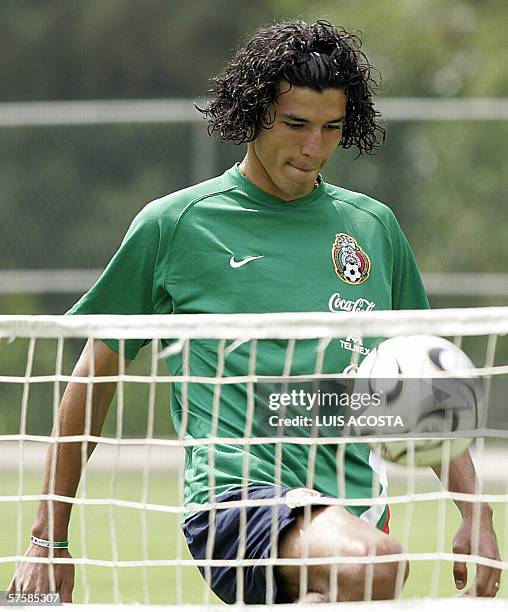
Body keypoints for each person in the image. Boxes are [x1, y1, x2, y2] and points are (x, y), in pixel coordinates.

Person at [10, 20, 501, 604]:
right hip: (233, 504)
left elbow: (424, 385)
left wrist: (475, 512)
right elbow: (94, 378)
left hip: (355, 510)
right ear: (254, 113)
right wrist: (48, 538)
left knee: (367, 563)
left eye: (331, 128)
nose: (313, 148)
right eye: (295, 125)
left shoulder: (373, 227)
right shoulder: (176, 225)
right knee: (373, 564)